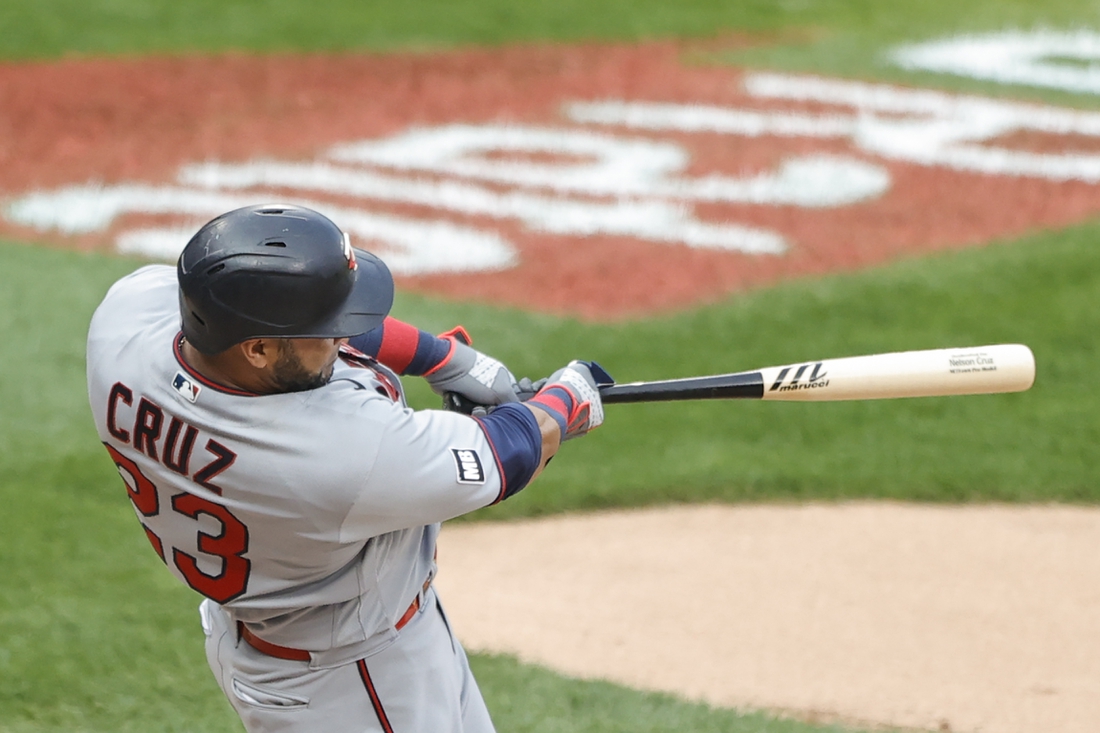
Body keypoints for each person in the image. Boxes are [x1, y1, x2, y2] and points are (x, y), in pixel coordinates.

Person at [85, 203, 604, 732]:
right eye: (328, 328)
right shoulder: (333, 453)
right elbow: (510, 452)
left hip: (281, 641)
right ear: (258, 348)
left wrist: (439, 356)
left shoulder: (124, 325)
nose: (342, 337)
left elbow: (270, 322)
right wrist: (568, 398)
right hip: (356, 682)